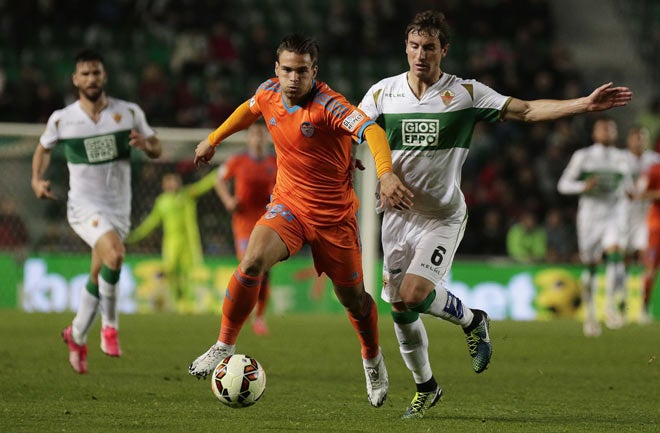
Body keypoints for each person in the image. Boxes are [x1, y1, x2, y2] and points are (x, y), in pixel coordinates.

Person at [358, 10, 632, 419]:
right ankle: (426, 387)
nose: (421, 55)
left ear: (443, 50)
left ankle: (473, 320)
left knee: (414, 294)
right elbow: (353, 129)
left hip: (442, 216)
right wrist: (358, 165)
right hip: (397, 217)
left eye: (429, 47)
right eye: (414, 46)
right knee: (399, 309)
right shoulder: (383, 93)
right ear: (406, 48)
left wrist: (583, 105)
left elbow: (525, 111)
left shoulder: (464, 93)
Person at [189, 33, 413, 408]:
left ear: (315, 72)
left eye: (303, 71)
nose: (294, 78)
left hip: (334, 220)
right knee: (251, 262)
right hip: (289, 207)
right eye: (288, 70)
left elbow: (371, 130)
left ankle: (372, 357)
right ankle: (224, 344)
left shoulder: (330, 105)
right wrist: (214, 138)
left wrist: (386, 172)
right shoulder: (268, 92)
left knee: (354, 300)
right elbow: (249, 109)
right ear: (277, 70)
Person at [31, 49, 162, 374]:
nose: (92, 79)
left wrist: (148, 146)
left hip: (119, 207)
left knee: (97, 272)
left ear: (105, 77)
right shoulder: (63, 119)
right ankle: (110, 327)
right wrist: (36, 179)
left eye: (96, 73)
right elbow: (43, 148)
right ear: (76, 79)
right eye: (85, 74)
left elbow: (157, 145)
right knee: (115, 255)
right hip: (84, 206)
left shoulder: (128, 113)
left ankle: (75, 335)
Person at [558, 117, 634, 337]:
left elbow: (628, 188)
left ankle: (609, 306)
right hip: (590, 218)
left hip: (614, 215)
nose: (608, 132)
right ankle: (590, 315)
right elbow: (563, 185)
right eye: (603, 129)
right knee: (591, 267)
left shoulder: (622, 158)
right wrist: (584, 185)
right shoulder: (584, 156)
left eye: (611, 129)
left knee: (615, 255)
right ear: (595, 133)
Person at [214, 120, 277, 335]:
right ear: (248, 138)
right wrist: (228, 201)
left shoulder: (275, 162)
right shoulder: (237, 160)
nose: (258, 139)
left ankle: (259, 317)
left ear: (266, 138)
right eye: (254, 135)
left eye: (261, 134)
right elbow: (218, 179)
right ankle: (239, 314)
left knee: (265, 271)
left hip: (268, 221)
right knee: (248, 265)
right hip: (243, 223)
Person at [126, 170, 217, 312]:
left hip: (188, 242)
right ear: (164, 185)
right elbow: (151, 222)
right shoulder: (162, 202)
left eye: (175, 180)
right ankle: (175, 302)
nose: (174, 183)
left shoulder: (187, 194)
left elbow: (203, 185)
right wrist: (135, 236)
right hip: (172, 241)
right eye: (170, 181)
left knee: (188, 272)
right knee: (171, 271)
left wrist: (221, 172)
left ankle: (187, 303)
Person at [622, 125, 660, 318]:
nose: (639, 141)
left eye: (643, 137)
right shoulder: (620, 159)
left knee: (647, 258)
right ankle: (622, 297)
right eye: (636, 137)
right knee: (624, 257)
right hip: (624, 215)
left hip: (647, 215)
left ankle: (642, 303)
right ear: (629, 140)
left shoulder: (655, 160)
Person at [637, 160, 660, 324]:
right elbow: (640, 193)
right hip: (656, 227)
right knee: (651, 268)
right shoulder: (654, 169)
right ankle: (643, 308)